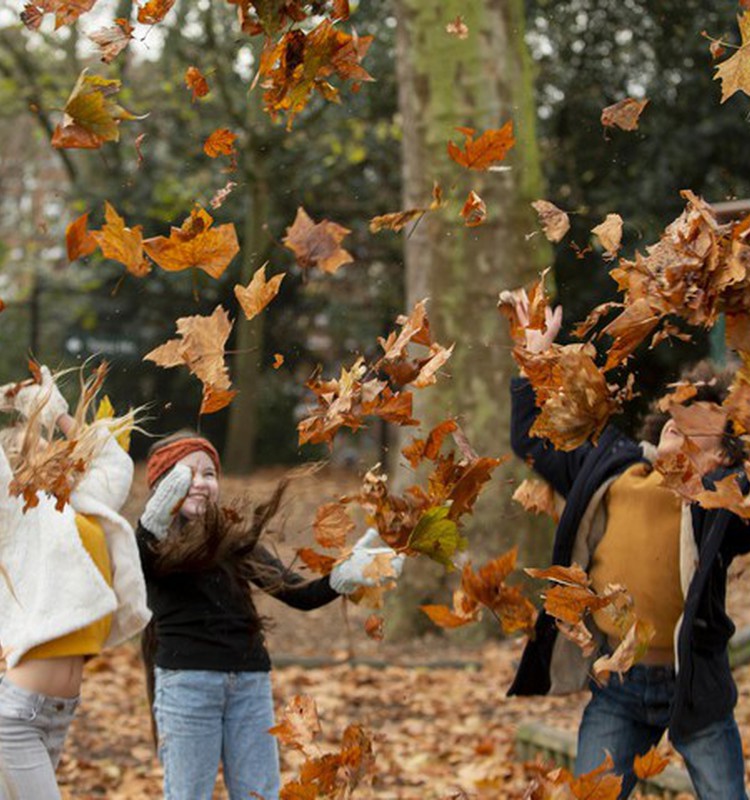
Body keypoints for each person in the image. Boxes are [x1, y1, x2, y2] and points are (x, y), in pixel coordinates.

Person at [504, 294, 749, 799]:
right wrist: (533, 363)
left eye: (698, 439)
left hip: (694, 688)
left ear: (723, 458)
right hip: (618, 687)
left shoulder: (718, 510)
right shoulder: (611, 470)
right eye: (676, 425)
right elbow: (533, 443)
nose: (679, 438)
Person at [137, 431, 404, 800]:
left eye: (209, 474)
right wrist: (150, 526)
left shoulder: (233, 542)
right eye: (185, 475)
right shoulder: (155, 546)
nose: (199, 484)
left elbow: (300, 595)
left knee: (259, 793)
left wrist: (343, 576)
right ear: (161, 486)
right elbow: (142, 559)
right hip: (187, 687)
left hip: (249, 685)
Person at [0, 366, 150, 799]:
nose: (59, 453)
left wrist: (58, 413)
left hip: (57, 713)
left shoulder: (80, 505)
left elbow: (113, 460)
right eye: (44, 447)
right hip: (18, 716)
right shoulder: (16, 515)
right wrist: (11, 399)